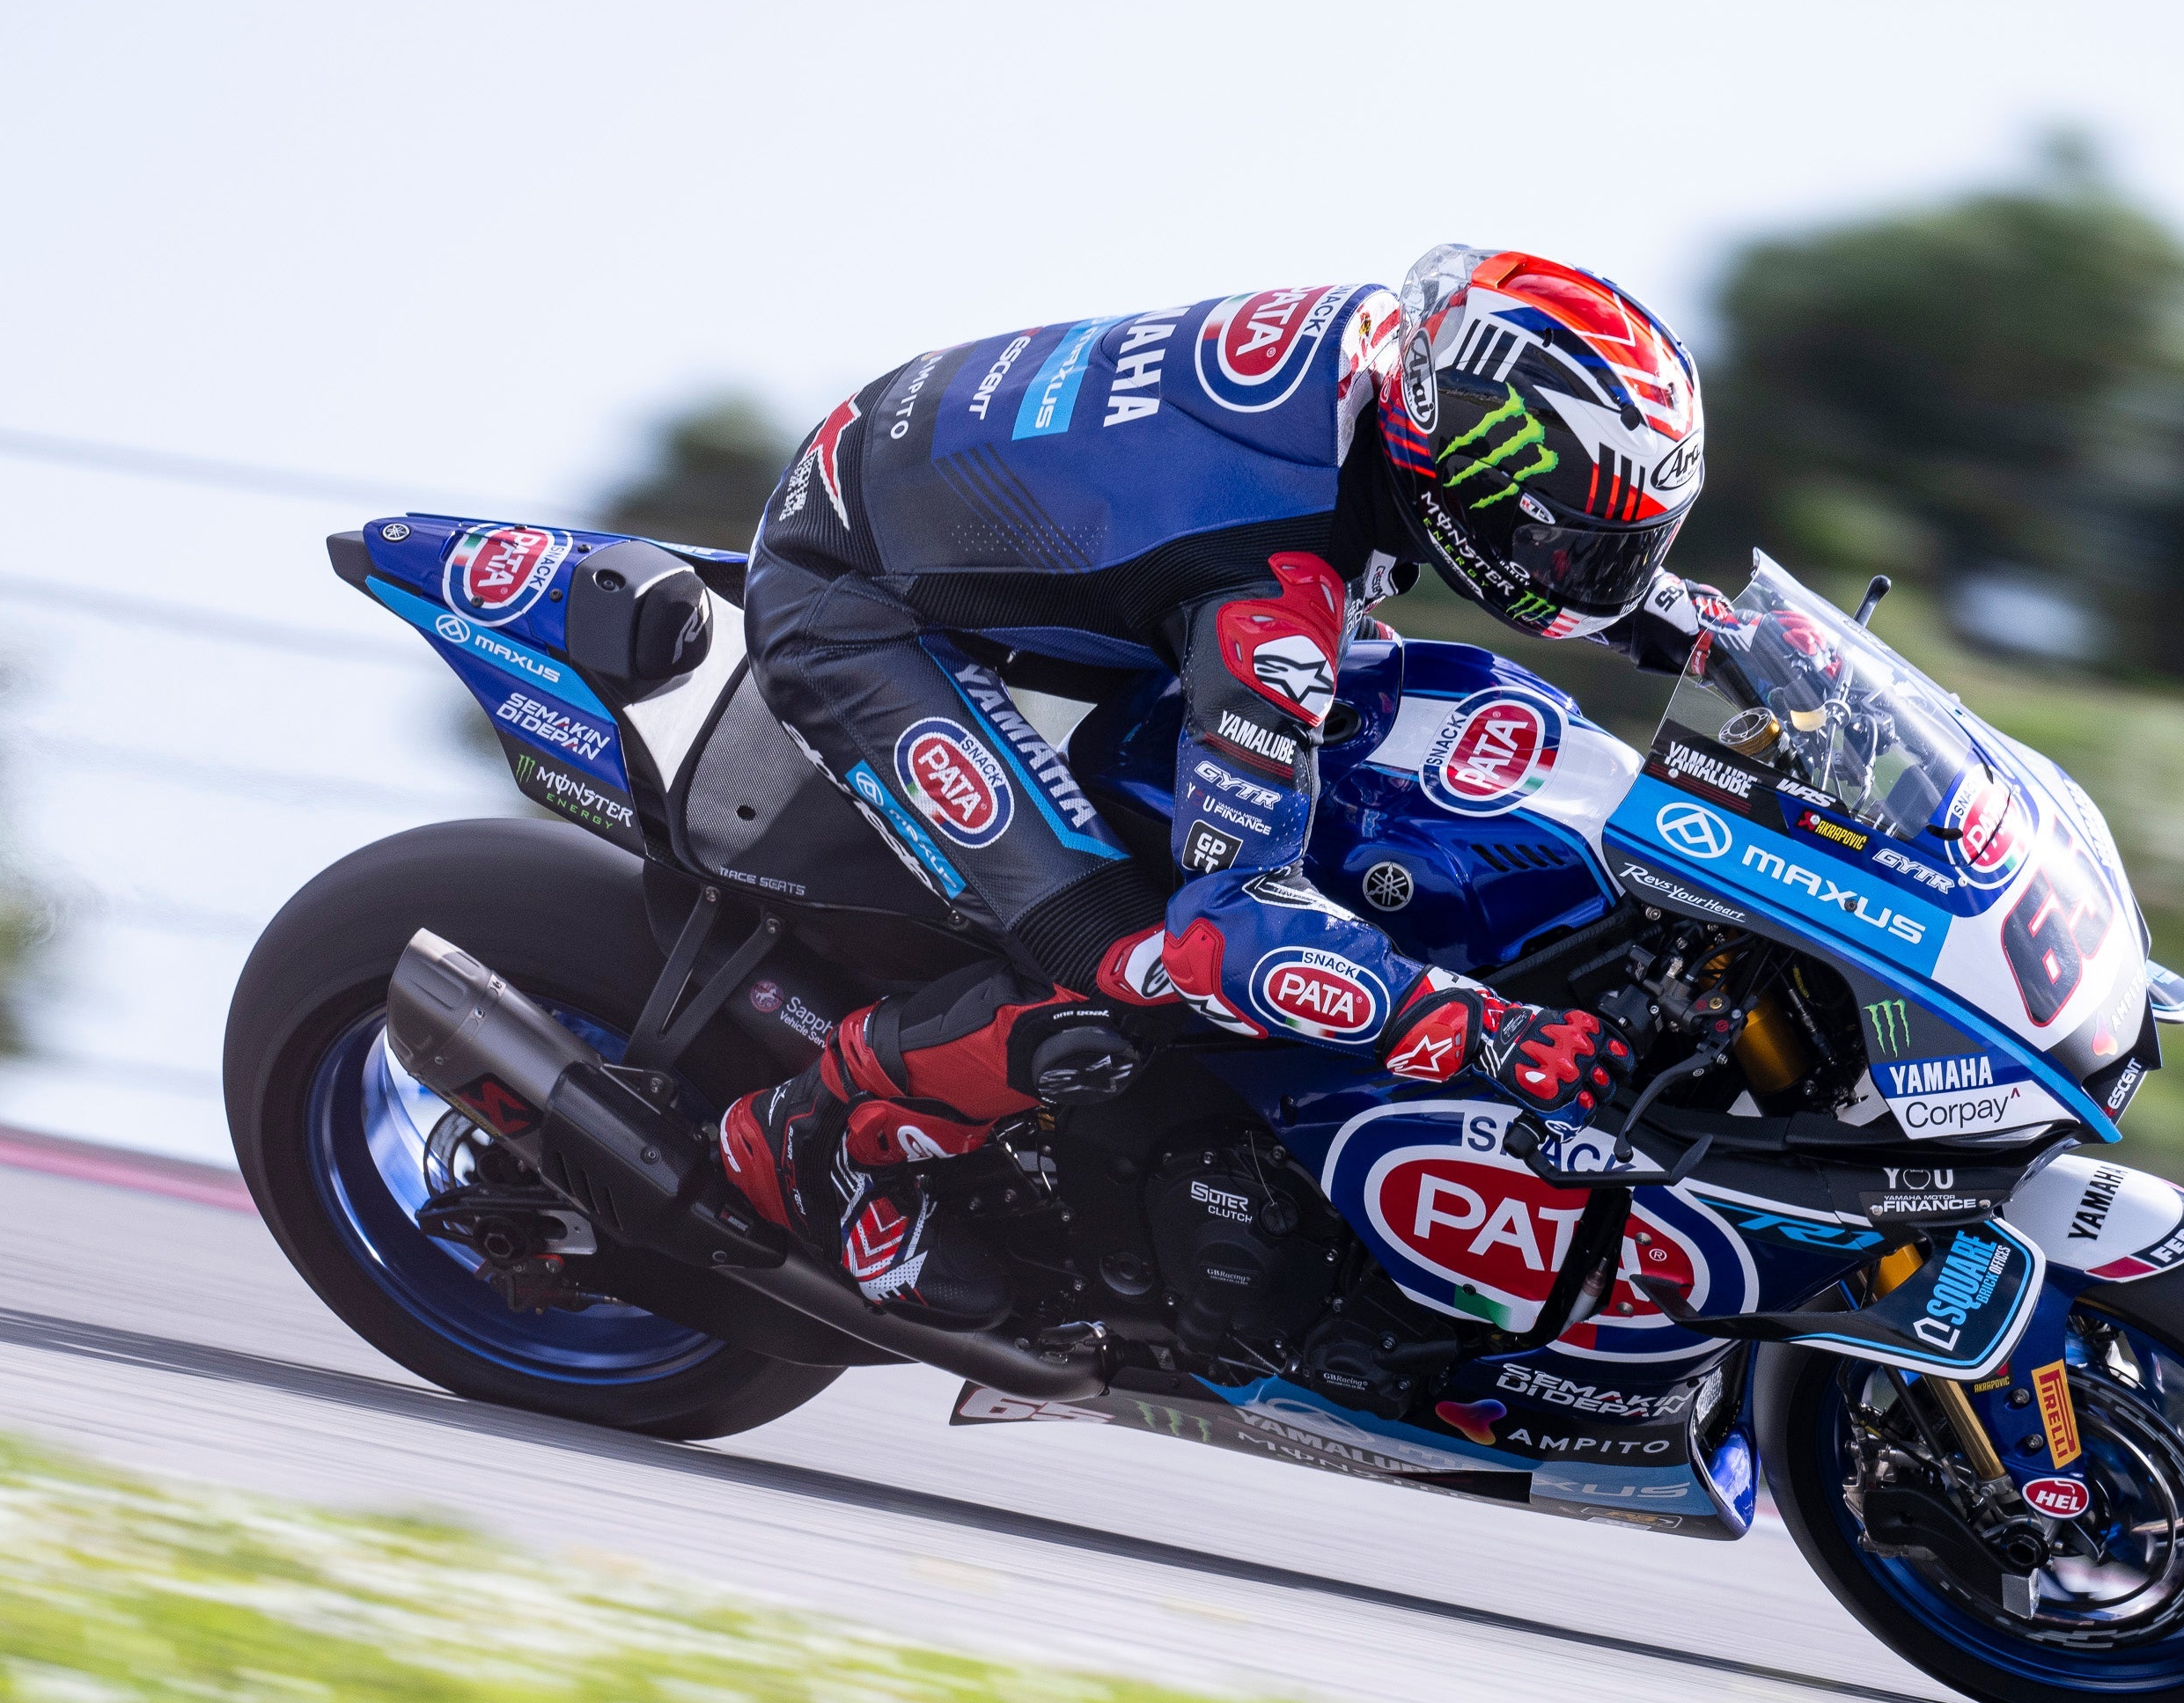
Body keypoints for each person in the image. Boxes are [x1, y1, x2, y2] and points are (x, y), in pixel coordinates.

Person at [717, 246, 1717, 1323]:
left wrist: (1703, 628)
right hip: (856, 607)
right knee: (1134, 972)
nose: (1597, 580)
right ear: (1467, 488)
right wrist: (1484, 1029)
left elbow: (1475, 514)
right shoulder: (1269, 590)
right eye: (1575, 551)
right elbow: (1226, 936)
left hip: (943, 470)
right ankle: (811, 1136)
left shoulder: (1391, 352)